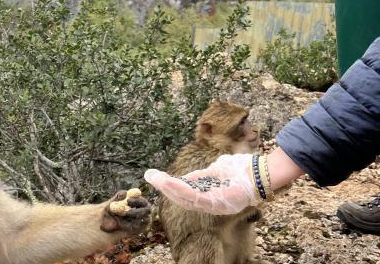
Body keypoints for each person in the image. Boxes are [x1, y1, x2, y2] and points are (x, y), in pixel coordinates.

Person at [144, 36, 380, 233]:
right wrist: (262, 177)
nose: (252, 130)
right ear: (209, 131)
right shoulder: (203, 159)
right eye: (242, 124)